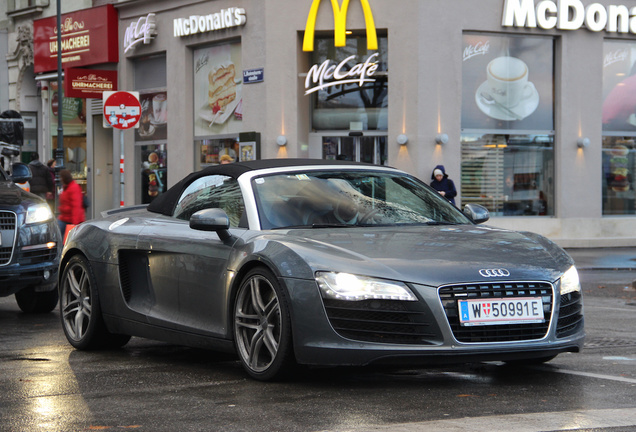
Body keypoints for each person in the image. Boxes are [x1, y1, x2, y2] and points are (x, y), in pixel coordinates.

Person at [57, 169, 85, 236]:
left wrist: (75, 222)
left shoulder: (73, 188)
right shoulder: (66, 187)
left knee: (65, 237)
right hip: (65, 217)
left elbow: (76, 206)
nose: (60, 179)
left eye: (61, 177)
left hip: (70, 219)